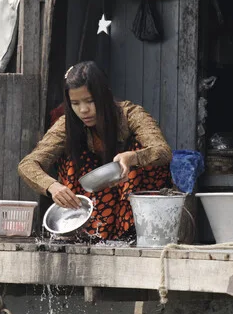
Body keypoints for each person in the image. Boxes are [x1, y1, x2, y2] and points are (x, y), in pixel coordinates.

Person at [19, 61, 173, 241]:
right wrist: (52, 186)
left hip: (137, 200)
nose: (83, 110)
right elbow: (27, 164)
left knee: (141, 151)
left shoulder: (130, 114)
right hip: (91, 200)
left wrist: (133, 158)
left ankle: (131, 235)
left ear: (104, 96)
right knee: (71, 156)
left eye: (90, 101)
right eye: (75, 103)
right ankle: (87, 234)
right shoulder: (67, 124)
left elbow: (163, 151)